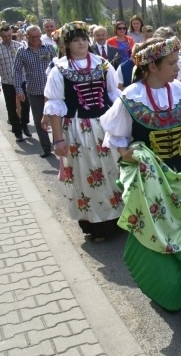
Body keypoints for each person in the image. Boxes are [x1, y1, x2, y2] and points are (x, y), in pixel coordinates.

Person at [100, 36, 181, 311]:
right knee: (160, 230)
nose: (178, 67)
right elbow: (117, 141)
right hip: (151, 180)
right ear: (152, 67)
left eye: (177, 61)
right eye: (172, 62)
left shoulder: (179, 91)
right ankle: (165, 285)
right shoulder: (130, 97)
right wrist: (138, 157)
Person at [43, 21, 123, 242]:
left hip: (104, 126)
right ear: (67, 45)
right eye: (76, 40)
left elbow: (115, 97)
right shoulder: (59, 69)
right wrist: (58, 140)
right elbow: (55, 107)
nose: (81, 43)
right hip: (77, 129)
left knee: (112, 170)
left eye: (84, 39)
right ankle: (96, 224)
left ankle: (119, 218)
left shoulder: (103, 64)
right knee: (87, 175)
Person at [14, 25, 58, 157]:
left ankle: (57, 142)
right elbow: (16, 71)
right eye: (32, 37)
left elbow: (58, 65)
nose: (35, 39)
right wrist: (18, 89)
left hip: (52, 91)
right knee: (39, 120)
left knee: (56, 117)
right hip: (34, 91)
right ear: (26, 37)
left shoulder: (49, 48)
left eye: (37, 36)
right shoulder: (21, 51)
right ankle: (46, 147)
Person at [0, 25, 30, 141]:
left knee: (25, 105)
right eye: (4, 36)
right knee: (11, 107)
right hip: (8, 82)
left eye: (9, 36)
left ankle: (24, 125)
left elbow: (27, 63)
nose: (7, 38)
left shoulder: (19, 46)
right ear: (0, 36)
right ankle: (17, 131)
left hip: (22, 80)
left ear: (12, 34)